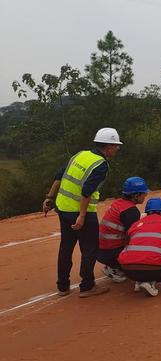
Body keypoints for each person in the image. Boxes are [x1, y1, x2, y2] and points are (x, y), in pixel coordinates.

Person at [42, 127, 122, 298]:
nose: (117, 149)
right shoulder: (101, 165)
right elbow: (87, 191)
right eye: (116, 145)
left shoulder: (80, 155)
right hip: (80, 212)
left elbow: (59, 176)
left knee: (66, 247)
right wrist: (82, 215)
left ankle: (62, 286)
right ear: (108, 147)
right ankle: (87, 286)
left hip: (63, 208)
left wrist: (49, 197)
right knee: (90, 249)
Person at [118, 198, 161, 297]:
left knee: (139, 259)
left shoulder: (135, 224)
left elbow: (126, 244)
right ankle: (149, 282)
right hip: (151, 269)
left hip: (128, 270)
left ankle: (138, 281)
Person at [97, 177, 149, 283]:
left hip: (100, 251)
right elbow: (132, 238)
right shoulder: (131, 212)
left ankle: (112, 266)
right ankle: (117, 267)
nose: (145, 196)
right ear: (135, 195)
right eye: (144, 194)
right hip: (111, 253)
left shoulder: (118, 203)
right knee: (143, 246)